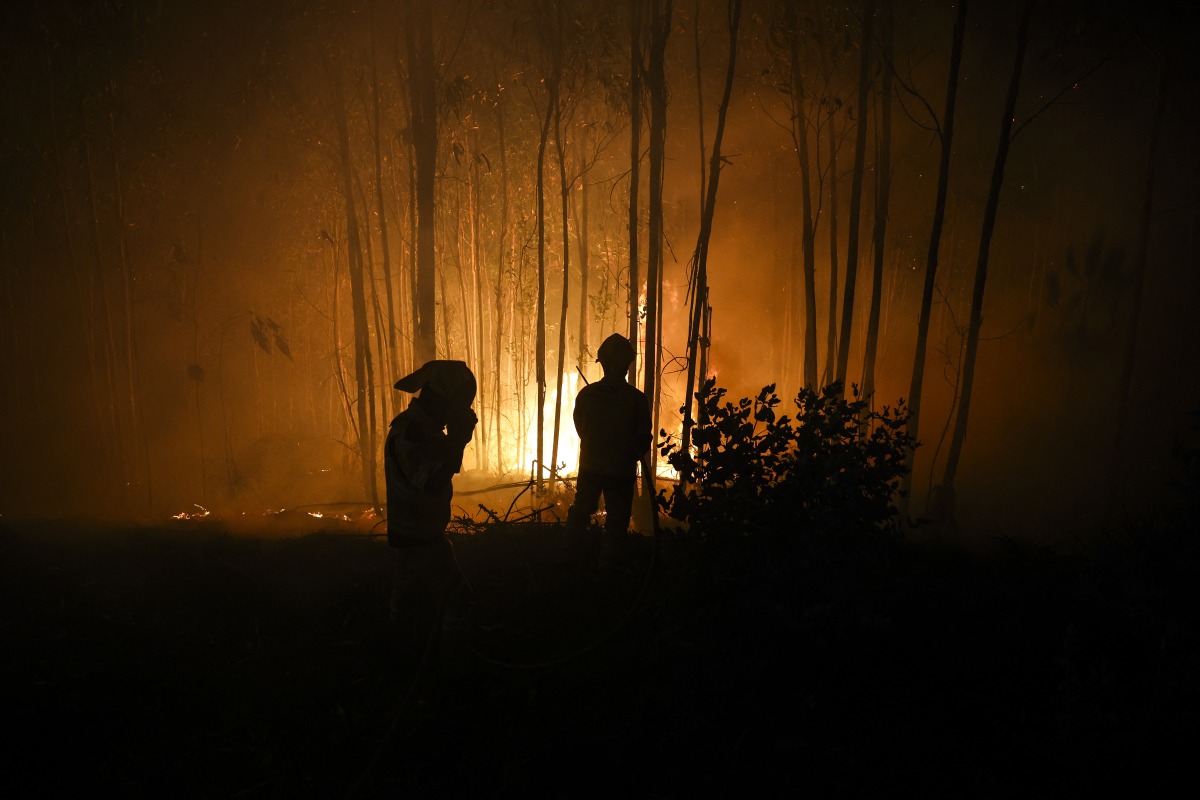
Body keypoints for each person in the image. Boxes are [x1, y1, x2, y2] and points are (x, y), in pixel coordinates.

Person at [384, 360, 477, 636]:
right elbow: (433, 482)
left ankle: (416, 658)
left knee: (414, 608)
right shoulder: (411, 434)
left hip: (423, 537)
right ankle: (440, 665)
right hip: (417, 541)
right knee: (449, 604)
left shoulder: (422, 429)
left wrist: (455, 441)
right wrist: (458, 440)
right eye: (458, 405)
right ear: (443, 400)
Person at [565, 334, 652, 554]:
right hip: (620, 471)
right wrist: (627, 455)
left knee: (581, 512)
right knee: (617, 521)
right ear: (628, 364)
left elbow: (581, 430)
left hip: (591, 467)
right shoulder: (636, 399)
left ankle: (571, 560)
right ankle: (610, 569)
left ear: (601, 362)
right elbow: (643, 438)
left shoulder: (586, 395)